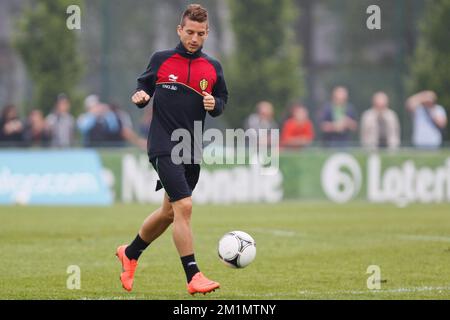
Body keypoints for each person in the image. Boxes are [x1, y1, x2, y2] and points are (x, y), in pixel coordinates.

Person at [116, 4, 228, 295]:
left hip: (191, 147)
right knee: (185, 207)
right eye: (189, 32)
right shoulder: (161, 60)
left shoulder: (213, 67)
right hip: (163, 144)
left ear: (207, 33)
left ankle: (130, 253)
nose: (194, 38)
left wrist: (215, 105)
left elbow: (222, 100)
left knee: (168, 213)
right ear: (180, 30)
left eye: (200, 33)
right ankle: (193, 275)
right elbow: (143, 89)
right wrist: (141, 97)